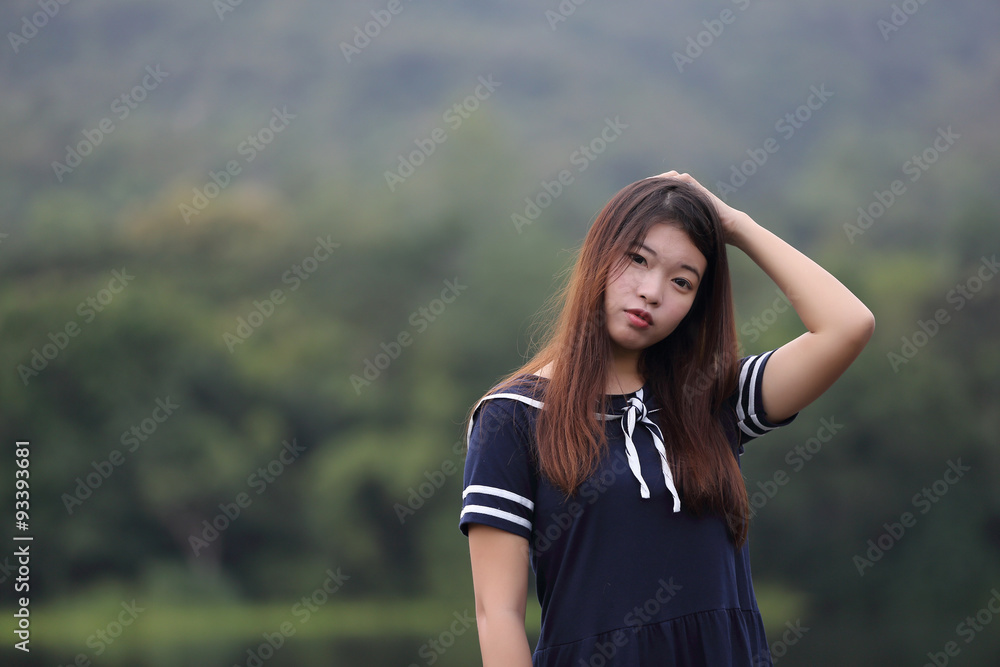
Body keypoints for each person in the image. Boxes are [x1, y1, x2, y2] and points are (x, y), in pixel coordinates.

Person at [459, 171, 875, 666]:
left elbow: (847, 326)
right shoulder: (514, 416)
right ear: (599, 254)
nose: (652, 292)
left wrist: (736, 226)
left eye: (682, 281)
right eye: (637, 259)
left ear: (695, 305)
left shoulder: (712, 398)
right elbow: (497, 613)